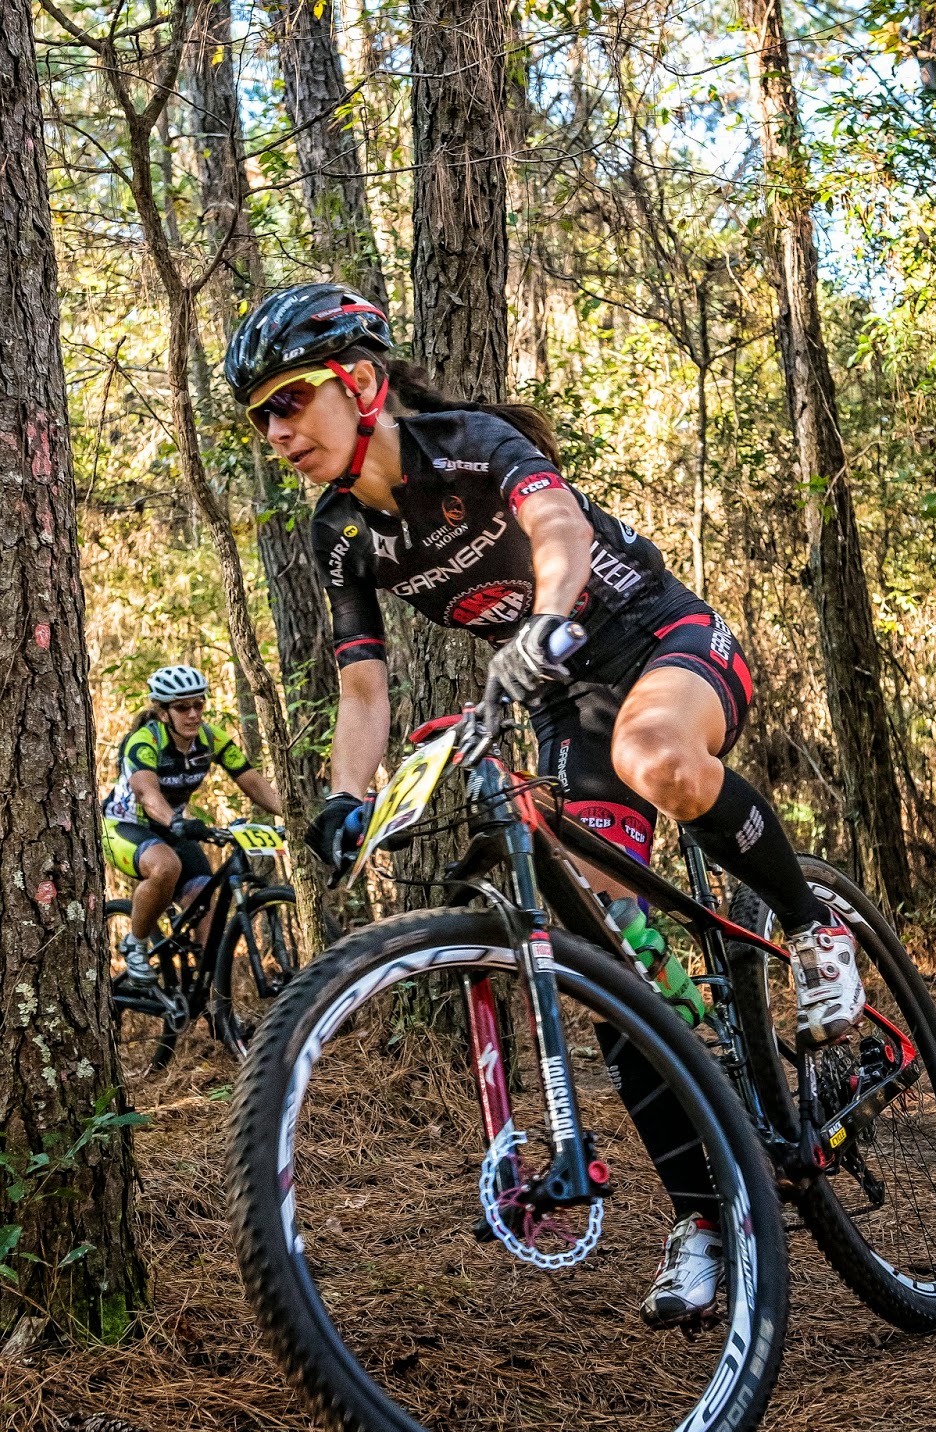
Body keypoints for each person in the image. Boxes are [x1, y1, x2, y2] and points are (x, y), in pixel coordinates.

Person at [224, 284, 866, 1327]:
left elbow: (557, 527)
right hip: (566, 702)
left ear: (363, 382)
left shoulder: (468, 446)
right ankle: (705, 1217)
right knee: (607, 953)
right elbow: (362, 690)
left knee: (657, 756)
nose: (277, 432)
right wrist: (346, 796)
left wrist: (550, 615)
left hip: (661, 640)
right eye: (260, 417)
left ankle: (812, 923)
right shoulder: (340, 532)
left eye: (290, 401)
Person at [102, 666, 282, 985]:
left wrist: (291, 817)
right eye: (182, 707)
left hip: (172, 829)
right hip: (124, 826)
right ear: (163, 712)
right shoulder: (144, 742)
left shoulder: (210, 739)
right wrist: (177, 821)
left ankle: (206, 991)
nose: (193, 714)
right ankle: (135, 942)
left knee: (204, 900)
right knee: (166, 865)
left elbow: (253, 782)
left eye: (199, 704)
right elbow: (146, 794)